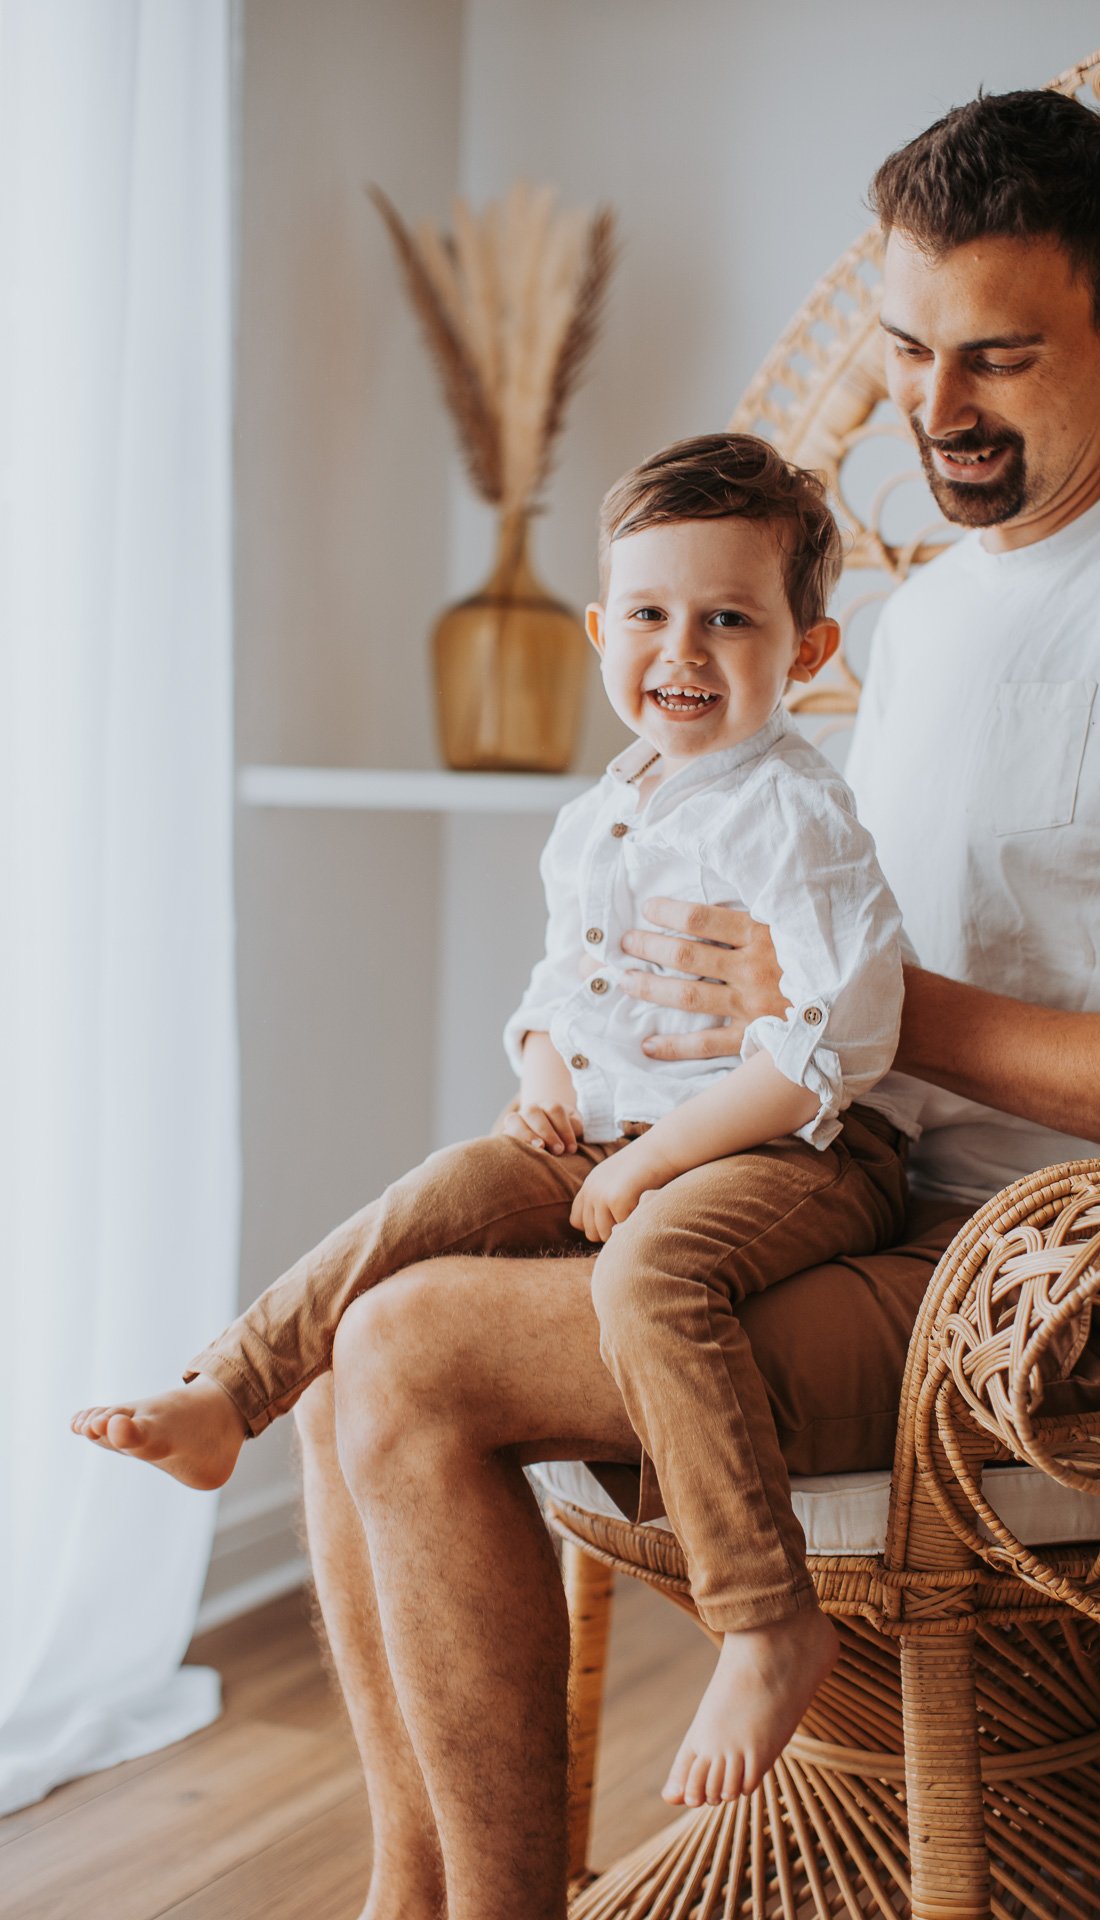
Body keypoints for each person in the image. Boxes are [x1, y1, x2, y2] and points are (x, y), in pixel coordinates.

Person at [84, 87, 1100, 1920]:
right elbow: (791, 930)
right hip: (849, 1182)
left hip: (1063, 1271)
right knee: (340, 1375)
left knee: (408, 1352)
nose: (935, 414)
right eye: (904, 352)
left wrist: (876, 1017)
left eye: (998, 359)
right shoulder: (941, 609)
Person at [71, 433, 927, 1808]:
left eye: (728, 618)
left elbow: (842, 1039)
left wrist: (658, 1158)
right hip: (606, 1136)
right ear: (600, 629)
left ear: (808, 651)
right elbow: (557, 990)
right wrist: (541, 1076)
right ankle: (229, 1389)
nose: (681, 649)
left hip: (797, 1149)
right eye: (649, 614)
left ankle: (768, 1618)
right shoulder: (603, 815)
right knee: (440, 1191)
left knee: (654, 1275)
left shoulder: (795, 816)